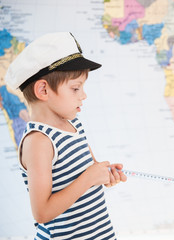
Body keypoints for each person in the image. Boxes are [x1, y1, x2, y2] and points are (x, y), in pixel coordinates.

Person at [5, 32, 127, 239]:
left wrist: (103, 174)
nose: (84, 95)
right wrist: (89, 179)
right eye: (75, 88)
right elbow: (42, 212)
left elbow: (87, 171)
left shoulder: (74, 124)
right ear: (43, 90)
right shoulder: (39, 141)